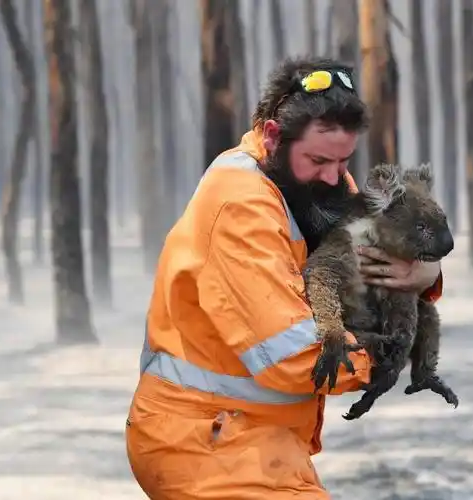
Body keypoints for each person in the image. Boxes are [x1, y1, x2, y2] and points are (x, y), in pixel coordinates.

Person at [125, 56, 445, 499]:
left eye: (344, 160)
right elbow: (295, 357)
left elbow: (380, 254)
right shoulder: (241, 205)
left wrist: (426, 273)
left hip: (254, 439)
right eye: (320, 160)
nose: (337, 176)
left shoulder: (312, 179)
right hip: (204, 443)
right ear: (274, 136)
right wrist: (388, 353)